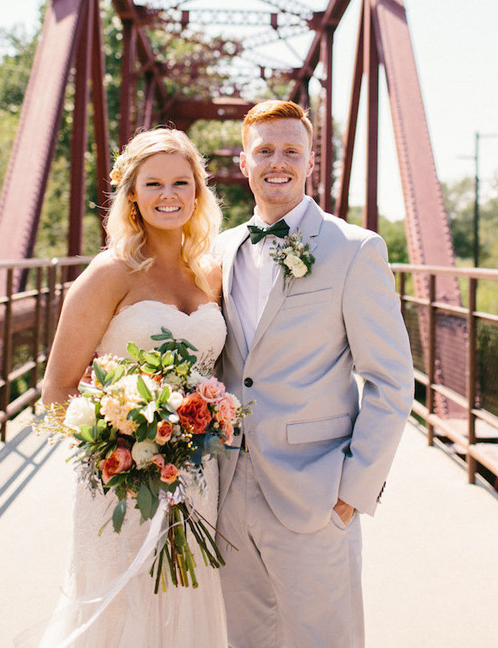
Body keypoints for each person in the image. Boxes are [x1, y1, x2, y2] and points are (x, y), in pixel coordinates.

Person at [215, 100, 414, 648]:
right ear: (243, 162)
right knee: (244, 637)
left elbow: (392, 380)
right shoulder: (219, 250)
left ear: (310, 164)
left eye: (290, 151)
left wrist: (354, 488)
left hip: (316, 490)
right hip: (226, 488)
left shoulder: (354, 250)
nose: (277, 162)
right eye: (264, 151)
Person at [39, 128, 228, 648]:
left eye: (180, 183)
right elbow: (56, 388)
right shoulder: (110, 272)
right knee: (122, 610)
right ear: (132, 196)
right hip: (121, 483)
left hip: (197, 475)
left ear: (197, 192)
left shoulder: (212, 272)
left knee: (186, 599)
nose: (169, 195)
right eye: (154, 184)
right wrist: (115, 448)